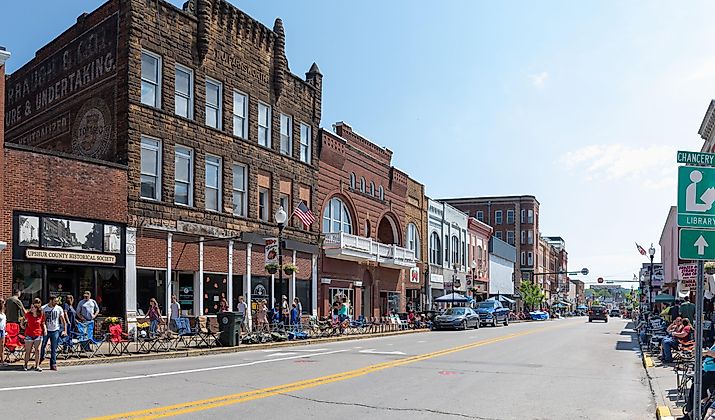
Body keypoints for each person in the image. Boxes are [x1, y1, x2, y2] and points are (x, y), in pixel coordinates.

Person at [678, 344, 715, 420]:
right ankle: (692, 412)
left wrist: (705, 352)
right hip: (707, 369)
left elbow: (712, 353)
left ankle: (690, 414)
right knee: (696, 387)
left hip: (712, 372)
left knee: (696, 389)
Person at [40, 295, 67, 371]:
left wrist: (65, 330)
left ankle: (53, 364)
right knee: (43, 346)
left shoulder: (59, 308)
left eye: (57, 301)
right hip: (46, 330)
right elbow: (41, 320)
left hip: (55, 330)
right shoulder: (44, 308)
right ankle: (41, 357)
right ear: (51, 300)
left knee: (54, 348)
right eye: (55, 301)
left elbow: (63, 320)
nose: (56, 302)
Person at [23, 298, 45, 372]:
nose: (31, 308)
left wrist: (45, 330)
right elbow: (22, 320)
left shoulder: (40, 315)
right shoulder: (28, 315)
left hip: (38, 334)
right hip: (29, 334)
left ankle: (37, 365)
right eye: (31, 307)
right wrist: (22, 325)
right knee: (28, 351)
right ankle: (25, 364)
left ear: (36, 308)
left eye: (33, 307)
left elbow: (42, 323)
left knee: (37, 350)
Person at [0, 299, 6, 366]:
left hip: (3, 330)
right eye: (3, 303)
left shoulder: (3, 312)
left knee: (2, 346)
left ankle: (2, 360)